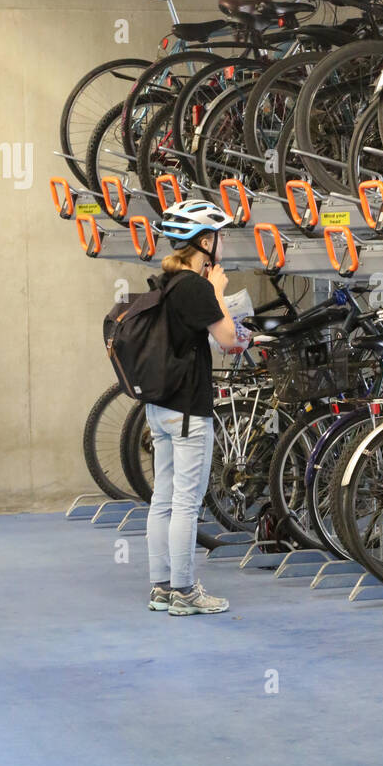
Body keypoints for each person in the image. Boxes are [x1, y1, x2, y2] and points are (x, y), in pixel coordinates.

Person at [145, 199, 242, 617]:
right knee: (186, 503)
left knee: (163, 500)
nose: (221, 244)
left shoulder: (165, 282)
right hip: (188, 410)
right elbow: (229, 340)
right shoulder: (196, 286)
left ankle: (162, 587)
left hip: (160, 407)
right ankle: (184, 591)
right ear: (204, 241)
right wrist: (218, 291)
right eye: (218, 236)